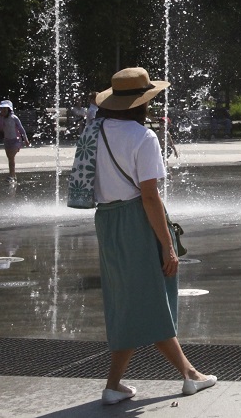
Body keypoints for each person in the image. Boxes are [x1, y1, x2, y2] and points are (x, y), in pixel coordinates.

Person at [91, 67, 215, 405]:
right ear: (143, 102)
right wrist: (167, 246)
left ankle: (113, 384)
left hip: (106, 221)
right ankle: (189, 374)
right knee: (152, 296)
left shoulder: (95, 133)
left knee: (125, 300)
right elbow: (149, 196)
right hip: (136, 219)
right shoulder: (143, 137)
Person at [0, 100, 30, 183]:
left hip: (15, 140)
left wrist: (26, 139)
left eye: (5, 109)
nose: (3, 111)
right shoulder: (2, 118)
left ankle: (11, 176)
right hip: (7, 140)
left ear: (9, 109)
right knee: (10, 158)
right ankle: (13, 175)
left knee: (11, 157)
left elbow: (21, 129)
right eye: (2, 109)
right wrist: (1, 118)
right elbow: (0, 128)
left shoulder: (14, 118)